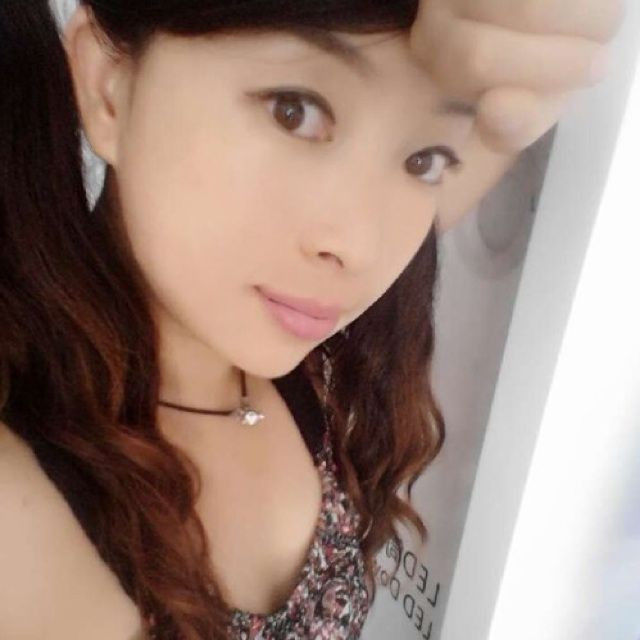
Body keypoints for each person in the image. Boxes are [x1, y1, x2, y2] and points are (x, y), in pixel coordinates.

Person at [0, 1, 622, 639]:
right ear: (108, 87)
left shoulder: (296, 349)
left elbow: (489, 127)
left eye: (424, 161)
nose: (359, 248)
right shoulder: (23, 519)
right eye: (293, 112)